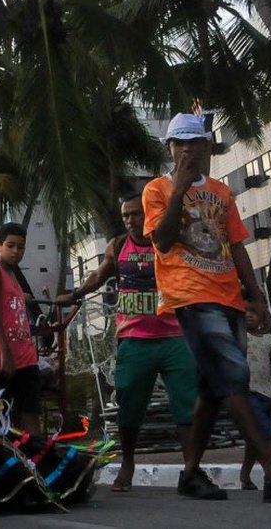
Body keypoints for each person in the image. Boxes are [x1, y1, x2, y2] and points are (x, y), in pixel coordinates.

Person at [142, 112, 271, 503]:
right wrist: (178, 189)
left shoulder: (222, 192)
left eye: (196, 142)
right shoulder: (156, 190)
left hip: (228, 295)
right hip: (190, 295)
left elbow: (237, 245)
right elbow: (160, 241)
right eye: (180, 143)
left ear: (209, 147)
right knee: (234, 376)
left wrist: (256, 296)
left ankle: (190, 475)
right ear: (170, 148)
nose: (188, 149)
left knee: (213, 389)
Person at [55, 194, 197, 492]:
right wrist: (76, 295)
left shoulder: (170, 242)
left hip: (175, 337)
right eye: (126, 216)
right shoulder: (118, 246)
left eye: (136, 214)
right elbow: (98, 274)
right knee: (129, 407)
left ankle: (192, 469)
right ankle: (128, 464)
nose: (131, 220)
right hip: (134, 340)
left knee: (186, 406)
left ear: (151, 215)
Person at [0, 222, 42, 436]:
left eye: (21, 247)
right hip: (1, 358)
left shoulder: (11, 275)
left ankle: (37, 462)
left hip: (25, 357)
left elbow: (9, 303)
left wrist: (24, 298)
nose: (16, 251)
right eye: (10, 246)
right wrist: (5, 353)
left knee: (30, 413)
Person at [239, 324, 271, 490]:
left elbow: (270, 368)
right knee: (264, 432)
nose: (249, 315)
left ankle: (245, 475)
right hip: (248, 391)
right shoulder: (240, 336)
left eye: (254, 310)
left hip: (266, 392)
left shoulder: (269, 339)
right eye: (246, 310)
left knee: (254, 438)